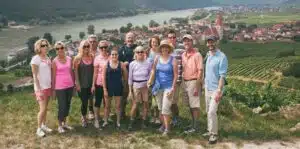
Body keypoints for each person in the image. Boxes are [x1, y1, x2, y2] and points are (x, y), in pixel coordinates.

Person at [148, 40, 178, 136]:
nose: (164, 49)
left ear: (169, 49)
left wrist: (173, 88)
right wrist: (150, 80)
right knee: (161, 108)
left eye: (166, 47)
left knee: (165, 109)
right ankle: (163, 126)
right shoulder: (157, 58)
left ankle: (167, 129)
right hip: (158, 86)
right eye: (163, 47)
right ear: (160, 49)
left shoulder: (173, 60)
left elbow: (176, 75)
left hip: (168, 87)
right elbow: (153, 70)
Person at [203, 36, 228, 144]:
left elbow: (222, 76)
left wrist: (219, 90)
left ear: (216, 42)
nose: (210, 44)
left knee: (212, 111)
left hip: (216, 89)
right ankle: (209, 130)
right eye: (208, 42)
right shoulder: (208, 55)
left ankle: (214, 134)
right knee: (208, 111)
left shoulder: (222, 57)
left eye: (212, 42)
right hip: (207, 87)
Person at [181, 34, 203, 134]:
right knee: (190, 105)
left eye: (188, 41)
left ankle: (195, 127)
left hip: (194, 82)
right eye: (185, 41)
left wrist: (197, 86)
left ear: (192, 42)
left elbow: (200, 71)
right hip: (185, 82)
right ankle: (193, 124)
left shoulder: (197, 55)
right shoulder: (183, 55)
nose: (186, 43)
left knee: (194, 106)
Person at [30, 39, 53, 137]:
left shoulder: (47, 58)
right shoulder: (36, 59)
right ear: (38, 47)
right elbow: (34, 75)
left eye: (46, 45)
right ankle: (38, 129)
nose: (45, 47)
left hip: (48, 86)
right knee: (42, 109)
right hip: (41, 88)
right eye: (43, 45)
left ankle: (43, 125)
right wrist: (38, 90)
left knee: (45, 108)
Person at [103, 47, 128, 129]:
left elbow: (126, 77)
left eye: (116, 54)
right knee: (107, 106)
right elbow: (103, 78)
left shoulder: (121, 64)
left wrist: (124, 86)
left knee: (118, 106)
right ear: (110, 55)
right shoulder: (106, 64)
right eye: (112, 54)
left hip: (118, 87)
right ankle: (105, 121)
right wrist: (105, 90)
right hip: (109, 87)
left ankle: (118, 122)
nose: (114, 56)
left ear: (118, 55)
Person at [52, 41, 74, 133]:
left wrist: (74, 84)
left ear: (64, 48)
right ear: (55, 50)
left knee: (68, 105)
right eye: (57, 48)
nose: (60, 50)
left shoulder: (69, 59)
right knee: (62, 106)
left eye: (61, 48)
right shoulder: (54, 61)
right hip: (60, 87)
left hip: (70, 85)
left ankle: (65, 124)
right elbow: (53, 76)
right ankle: (59, 125)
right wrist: (53, 90)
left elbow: (71, 72)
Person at [128, 46, 152, 130]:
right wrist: (130, 91)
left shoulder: (148, 63)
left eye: (142, 51)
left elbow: (150, 75)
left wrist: (149, 85)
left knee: (145, 104)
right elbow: (130, 78)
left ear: (144, 53)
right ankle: (131, 122)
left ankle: (143, 122)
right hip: (136, 86)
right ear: (135, 54)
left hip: (145, 86)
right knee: (135, 105)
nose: (140, 53)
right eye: (138, 52)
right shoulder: (132, 64)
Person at [73, 40, 94, 128]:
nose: (86, 48)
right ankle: (84, 118)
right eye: (84, 46)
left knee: (91, 99)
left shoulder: (92, 57)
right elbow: (75, 72)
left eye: (87, 46)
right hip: (82, 84)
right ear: (81, 48)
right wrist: (77, 83)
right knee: (84, 102)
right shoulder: (77, 58)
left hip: (91, 83)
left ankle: (91, 113)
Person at [118, 32, 137, 119]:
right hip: (124, 76)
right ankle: (122, 113)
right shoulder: (121, 49)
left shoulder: (137, 48)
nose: (130, 39)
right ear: (125, 39)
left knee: (136, 95)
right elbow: (117, 61)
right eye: (128, 38)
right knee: (124, 95)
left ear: (134, 39)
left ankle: (136, 114)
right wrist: (122, 63)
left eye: (131, 38)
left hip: (136, 76)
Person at [167, 30, 184, 126]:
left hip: (177, 80)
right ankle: (168, 119)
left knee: (174, 101)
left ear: (176, 38)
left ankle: (176, 118)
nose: (172, 39)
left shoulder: (181, 47)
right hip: (166, 80)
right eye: (170, 37)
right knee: (167, 100)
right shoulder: (165, 48)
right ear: (167, 38)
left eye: (173, 37)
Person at [91, 40, 110, 128]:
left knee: (107, 103)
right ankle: (96, 119)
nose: (103, 49)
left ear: (107, 48)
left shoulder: (110, 57)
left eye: (105, 47)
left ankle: (105, 119)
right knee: (97, 102)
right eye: (101, 47)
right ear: (99, 48)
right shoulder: (97, 58)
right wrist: (93, 85)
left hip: (109, 83)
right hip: (99, 83)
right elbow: (95, 73)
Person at [147, 35, 161, 124]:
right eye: (153, 42)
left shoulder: (160, 53)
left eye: (156, 42)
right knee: (149, 99)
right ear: (150, 44)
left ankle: (158, 117)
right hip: (148, 78)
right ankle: (151, 116)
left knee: (157, 98)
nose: (154, 44)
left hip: (158, 78)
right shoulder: (147, 52)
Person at [87, 34, 99, 120]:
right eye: (90, 42)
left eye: (94, 41)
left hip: (99, 76)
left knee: (100, 94)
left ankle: (105, 110)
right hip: (89, 75)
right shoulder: (85, 52)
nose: (92, 43)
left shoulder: (101, 51)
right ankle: (90, 111)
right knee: (90, 95)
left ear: (97, 42)